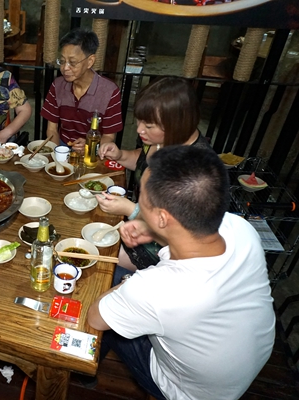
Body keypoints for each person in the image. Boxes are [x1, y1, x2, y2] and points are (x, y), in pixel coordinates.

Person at [88, 145, 275, 400]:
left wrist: (129, 282)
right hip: (241, 367)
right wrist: (154, 230)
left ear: (164, 218)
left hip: (189, 391)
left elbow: (96, 318)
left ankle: (85, 371)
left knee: (104, 282)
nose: (139, 201)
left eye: (143, 197)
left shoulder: (156, 290)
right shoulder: (241, 229)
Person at [97, 76, 213, 271]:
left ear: (175, 123)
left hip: (160, 254)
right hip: (133, 227)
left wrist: (131, 210)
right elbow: (142, 161)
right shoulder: (164, 138)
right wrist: (120, 155)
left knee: (93, 255)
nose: (140, 129)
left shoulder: (193, 169)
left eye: (149, 126)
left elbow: (177, 235)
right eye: (140, 121)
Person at [41, 28, 123, 153]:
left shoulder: (109, 91)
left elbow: (109, 136)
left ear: (90, 61)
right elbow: (52, 130)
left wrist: (91, 145)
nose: (65, 68)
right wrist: (59, 154)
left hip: (94, 150)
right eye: (62, 61)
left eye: (72, 63)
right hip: (62, 145)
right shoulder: (57, 85)